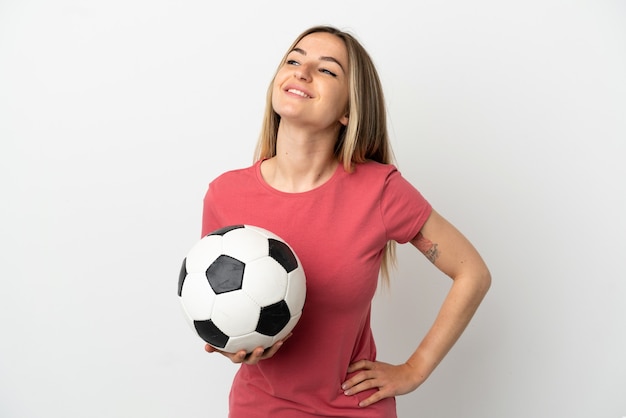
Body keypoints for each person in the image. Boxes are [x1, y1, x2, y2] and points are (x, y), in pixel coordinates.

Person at [201, 25, 491, 418]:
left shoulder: (380, 191)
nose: (302, 72)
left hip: (356, 408)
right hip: (259, 408)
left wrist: (414, 369)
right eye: (294, 60)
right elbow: (218, 305)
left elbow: (472, 272)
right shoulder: (225, 195)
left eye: (327, 70)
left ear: (348, 111)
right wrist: (231, 344)